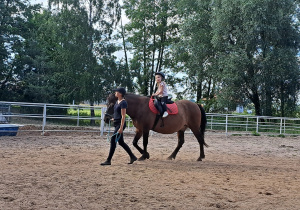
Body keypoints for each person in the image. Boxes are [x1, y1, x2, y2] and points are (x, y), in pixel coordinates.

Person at [101, 87, 137, 166]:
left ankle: (108, 160)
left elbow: (123, 116)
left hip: (120, 124)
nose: (115, 93)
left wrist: (121, 128)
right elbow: (118, 114)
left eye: (116, 92)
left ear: (120, 93)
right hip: (116, 123)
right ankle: (132, 156)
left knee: (113, 140)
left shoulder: (123, 103)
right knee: (121, 142)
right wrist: (114, 118)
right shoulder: (117, 101)